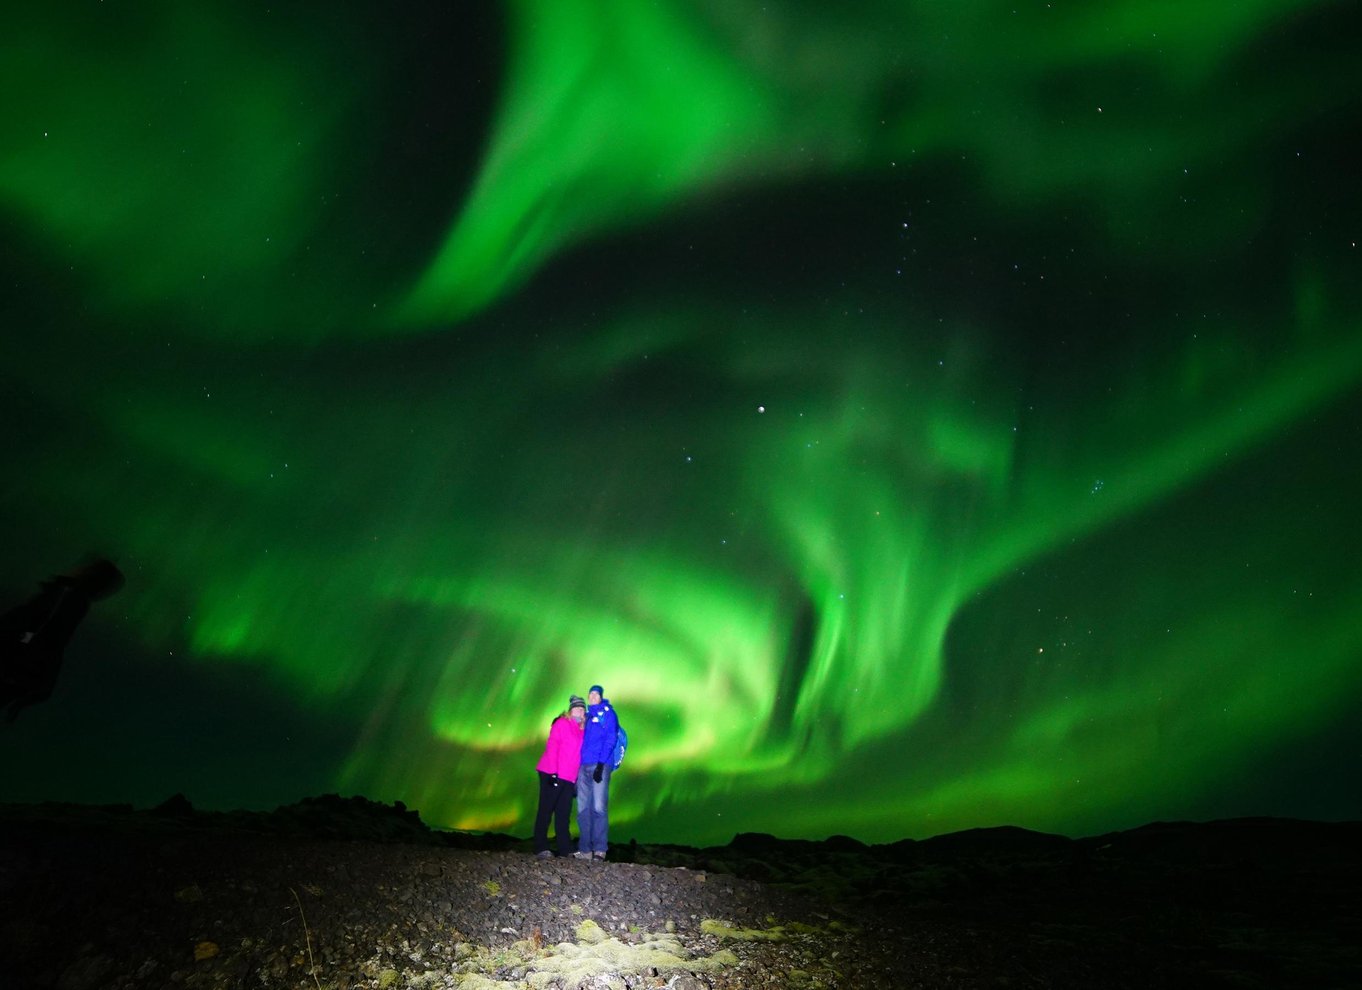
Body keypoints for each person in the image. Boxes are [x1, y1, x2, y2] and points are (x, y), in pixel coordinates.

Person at [1, 556, 125, 722]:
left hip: (11, 665)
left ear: (89, 573)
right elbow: (52, 645)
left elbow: (36, 628)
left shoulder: (67, 595)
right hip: (19, 673)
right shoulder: (76, 600)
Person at [533, 694, 586, 858]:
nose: (579, 710)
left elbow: (579, 756)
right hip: (552, 772)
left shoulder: (582, 730)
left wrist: (576, 780)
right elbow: (553, 746)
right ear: (570, 710)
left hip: (569, 778)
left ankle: (565, 848)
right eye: (577, 707)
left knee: (563, 813)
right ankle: (541, 847)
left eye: (582, 708)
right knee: (546, 810)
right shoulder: (562, 723)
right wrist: (553, 773)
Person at [575, 683, 619, 861]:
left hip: (600, 765)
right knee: (582, 809)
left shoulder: (607, 713)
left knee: (599, 807)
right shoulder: (587, 716)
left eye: (596, 694)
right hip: (582, 767)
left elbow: (610, 738)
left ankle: (600, 850)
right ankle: (585, 850)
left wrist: (601, 765)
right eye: (590, 694)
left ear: (601, 696)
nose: (592, 696)